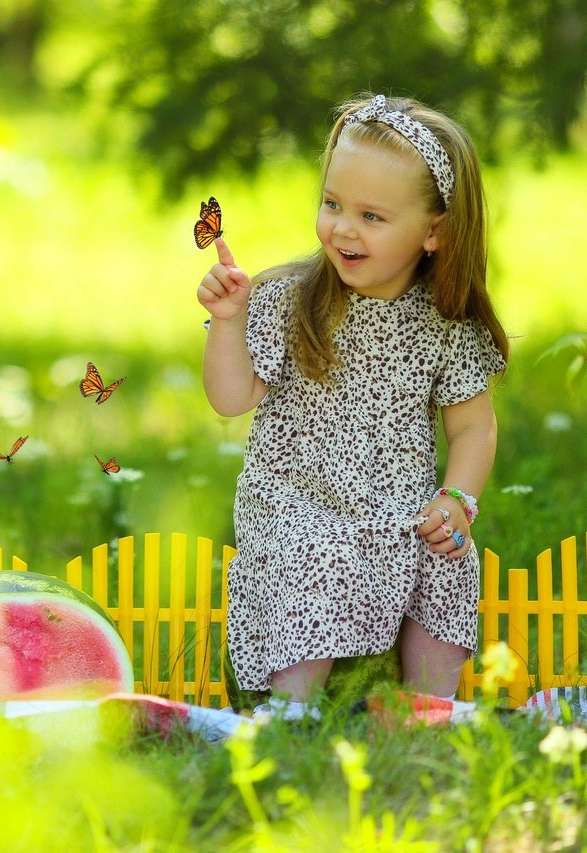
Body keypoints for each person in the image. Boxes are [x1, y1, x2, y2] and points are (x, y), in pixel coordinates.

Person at [196, 93, 509, 720]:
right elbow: (232, 400)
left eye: (371, 215)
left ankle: (429, 709)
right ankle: (292, 710)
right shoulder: (289, 298)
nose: (341, 227)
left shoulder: (446, 321)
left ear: (434, 232)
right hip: (296, 501)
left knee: (448, 559)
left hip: (398, 506)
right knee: (315, 553)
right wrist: (229, 322)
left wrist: (456, 500)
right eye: (332, 203)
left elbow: (474, 425)